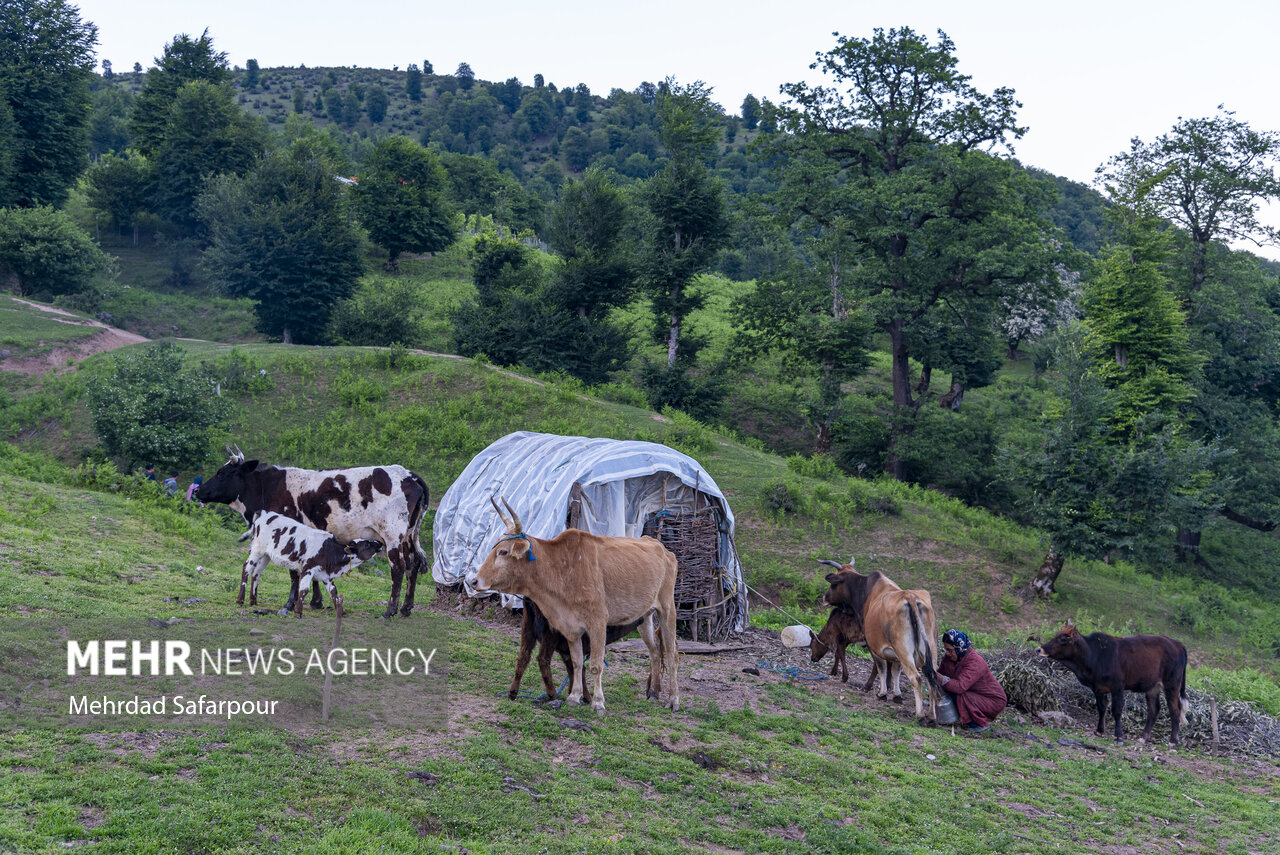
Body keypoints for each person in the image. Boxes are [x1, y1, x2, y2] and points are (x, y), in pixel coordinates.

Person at [936, 629, 1007, 733]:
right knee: (950, 689)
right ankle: (962, 718)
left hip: (993, 700)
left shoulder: (975, 662)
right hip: (975, 693)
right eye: (946, 649)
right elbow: (941, 673)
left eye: (950, 650)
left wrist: (936, 676)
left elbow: (959, 686)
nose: (947, 653)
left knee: (960, 695)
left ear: (959, 648)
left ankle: (979, 724)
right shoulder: (950, 658)